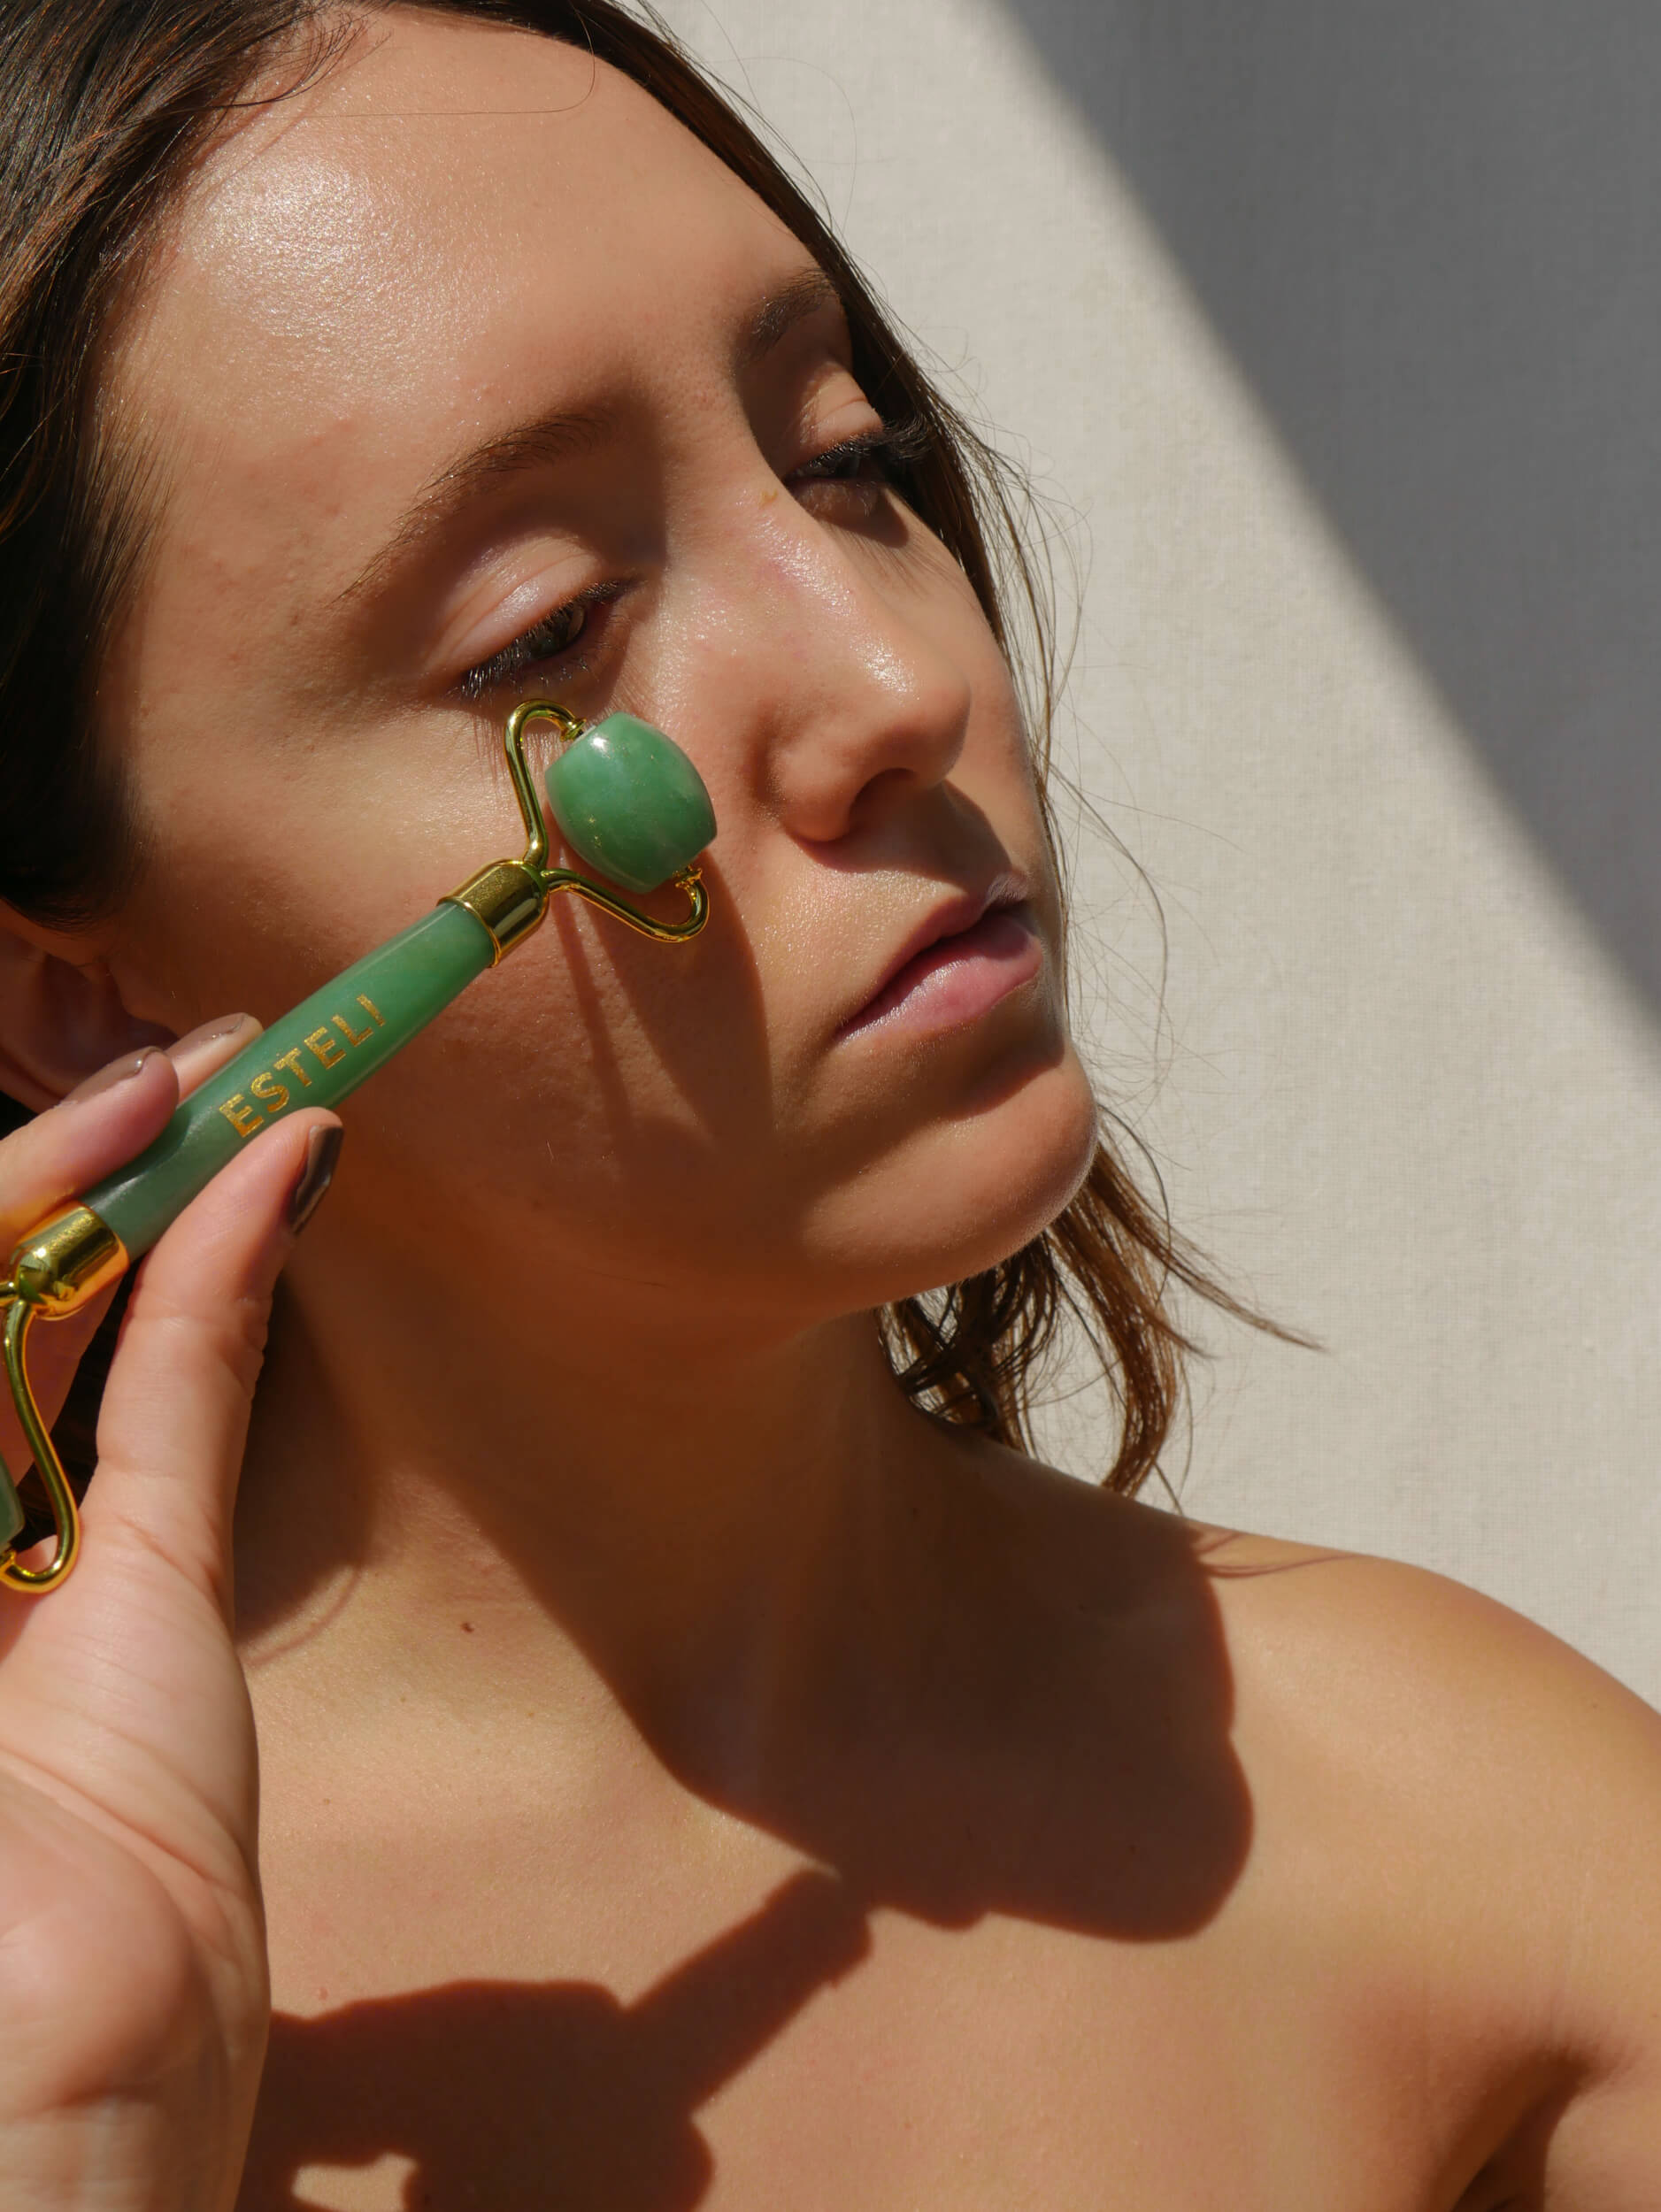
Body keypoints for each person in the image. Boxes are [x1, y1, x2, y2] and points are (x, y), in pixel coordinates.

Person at [0, 3, 1656, 2204]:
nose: (902, 682)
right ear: (67, 994)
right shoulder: (59, 1961)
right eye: (545, 634)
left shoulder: (1486, 1853)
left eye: (846, 460)